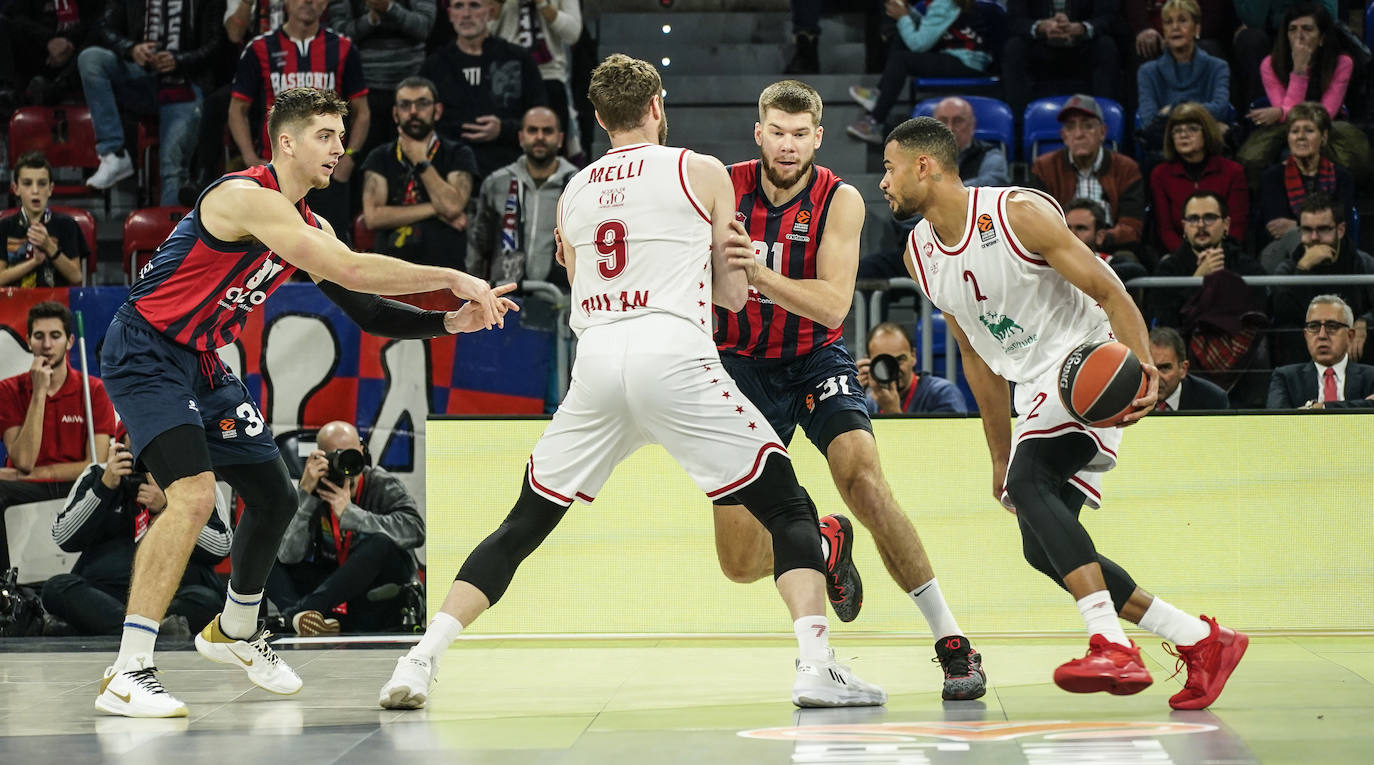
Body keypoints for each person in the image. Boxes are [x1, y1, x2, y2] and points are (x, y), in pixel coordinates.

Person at [379, 55, 886, 712]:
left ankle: (420, 660)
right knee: (789, 509)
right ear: (658, 106)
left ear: (596, 118)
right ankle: (817, 667)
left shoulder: (575, 189)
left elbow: (572, 276)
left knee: (522, 523)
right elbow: (733, 298)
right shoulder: (698, 169)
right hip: (672, 352)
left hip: (596, 361)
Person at [92, 86, 514, 719]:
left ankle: (235, 630)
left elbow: (366, 308)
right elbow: (352, 271)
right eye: (325, 135)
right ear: (285, 142)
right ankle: (129, 669)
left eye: (342, 137)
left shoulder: (309, 223)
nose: (338, 148)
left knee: (275, 493)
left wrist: (447, 326)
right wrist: (452, 277)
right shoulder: (243, 199)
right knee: (194, 495)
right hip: (146, 350)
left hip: (203, 360)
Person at [882, 115, 1248, 709]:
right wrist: (998, 453)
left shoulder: (1017, 212)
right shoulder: (919, 255)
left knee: (1033, 485)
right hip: (1032, 387)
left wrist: (1142, 370)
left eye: (889, 167)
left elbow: (1112, 291)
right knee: (1039, 541)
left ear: (925, 166)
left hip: (1087, 366)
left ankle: (1111, 643)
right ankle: (1202, 639)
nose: (884, 182)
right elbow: (976, 358)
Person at [712, 80, 986, 701]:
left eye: (799, 134)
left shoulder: (840, 199)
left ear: (818, 136)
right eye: (776, 133)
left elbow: (833, 306)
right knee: (738, 562)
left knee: (864, 480)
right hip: (736, 367)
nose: (787, 145)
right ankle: (826, 537)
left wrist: (756, 272)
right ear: (759, 134)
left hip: (813, 358)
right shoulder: (718, 186)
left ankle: (951, 642)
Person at [43, 429, 231, 637]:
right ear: (122, 444)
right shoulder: (98, 474)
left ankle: (110, 628)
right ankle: (152, 632)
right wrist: (104, 488)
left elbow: (221, 547)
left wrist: (169, 509)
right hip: (104, 593)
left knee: (207, 600)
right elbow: (63, 537)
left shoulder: (194, 480)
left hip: (172, 593)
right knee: (56, 588)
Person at [269, 420, 423, 635]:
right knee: (266, 554)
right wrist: (305, 497)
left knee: (380, 543)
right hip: (334, 590)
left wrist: (353, 515)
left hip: (377, 591)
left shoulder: (381, 483)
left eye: (352, 455)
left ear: (362, 451)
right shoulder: (315, 489)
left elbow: (415, 530)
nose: (346, 464)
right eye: (336, 456)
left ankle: (293, 617)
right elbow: (288, 556)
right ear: (321, 457)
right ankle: (306, 619)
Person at [230, 0, 371, 233]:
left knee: (333, 252)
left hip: (329, 172)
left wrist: (351, 157)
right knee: (272, 252)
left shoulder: (343, 47)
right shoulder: (259, 48)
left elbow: (362, 111)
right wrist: (249, 156)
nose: (307, 1)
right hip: (278, 173)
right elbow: (237, 110)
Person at [0, 302, 116, 574]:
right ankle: (5, 590)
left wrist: (28, 474)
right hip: (28, 488)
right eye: (39, 336)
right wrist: (39, 392)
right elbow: (25, 460)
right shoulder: (9, 389)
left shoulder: (94, 390)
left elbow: (94, 465)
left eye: (55, 336)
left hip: (75, 487)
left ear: (70, 341)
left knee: (110, 488)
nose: (47, 345)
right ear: (28, 341)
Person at [77, 0, 226, 203]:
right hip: (140, 76)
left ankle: (172, 234)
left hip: (184, 83)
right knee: (91, 58)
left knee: (171, 167)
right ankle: (114, 154)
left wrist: (179, 60)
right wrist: (132, 49)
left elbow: (217, 45)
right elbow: (104, 26)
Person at [1236, 3, 1369, 186]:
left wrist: (1281, 112)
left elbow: (1326, 113)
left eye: (1307, 29)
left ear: (1322, 38)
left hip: (1328, 130)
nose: (1299, 36)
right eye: (1292, 30)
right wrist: (1299, 70)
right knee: (1258, 158)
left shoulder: (1342, 62)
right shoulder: (1270, 64)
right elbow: (1292, 119)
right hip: (1287, 130)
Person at [419, 0, 547, 180]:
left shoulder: (519, 59)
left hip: (509, 169)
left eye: (474, 5)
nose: (466, 14)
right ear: (449, 15)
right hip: (449, 171)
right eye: (458, 6)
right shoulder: (434, 66)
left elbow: (542, 118)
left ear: (491, 12)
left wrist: (503, 129)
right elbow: (423, 123)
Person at [360, 76, 478, 268]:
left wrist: (421, 162)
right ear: (395, 114)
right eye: (405, 105)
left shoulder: (458, 154)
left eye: (422, 104)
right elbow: (373, 217)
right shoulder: (379, 156)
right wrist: (435, 209)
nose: (413, 112)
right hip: (390, 269)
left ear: (437, 111)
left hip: (447, 269)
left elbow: (452, 206)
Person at [845, 0, 992, 144]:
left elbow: (918, 44)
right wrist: (909, 12)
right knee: (901, 37)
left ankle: (875, 122)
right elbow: (930, 27)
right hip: (960, 56)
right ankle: (879, 95)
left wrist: (903, 17)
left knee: (902, 60)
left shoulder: (943, 3)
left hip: (966, 62)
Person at [467, 106, 578, 286]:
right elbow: (478, 246)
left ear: (560, 139)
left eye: (547, 131)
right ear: (521, 137)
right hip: (505, 296)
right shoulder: (496, 183)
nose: (540, 137)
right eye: (532, 130)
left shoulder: (578, 184)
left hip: (563, 297)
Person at [1030, 95, 1145, 254]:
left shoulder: (1126, 169)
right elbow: (1038, 222)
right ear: (1064, 136)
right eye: (1071, 127)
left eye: (1087, 126)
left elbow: (1132, 226)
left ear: (1102, 132)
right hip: (1060, 250)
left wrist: (1102, 238)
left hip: (1112, 250)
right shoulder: (1044, 167)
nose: (1078, 134)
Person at [326, 0, 437, 163]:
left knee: (412, 164)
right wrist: (371, 19)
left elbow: (424, 28)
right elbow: (339, 34)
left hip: (412, 87)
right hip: (362, 90)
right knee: (363, 168)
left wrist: (390, 8)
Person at [1270, 194, 1372, 363]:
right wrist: (1303, 268)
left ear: (1340, 230)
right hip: (1306, 353)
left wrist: (1365, 322)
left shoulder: (1362, 263)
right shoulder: (1289, 267)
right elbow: (1280, 313)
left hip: (1353, 351)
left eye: (1323, 229)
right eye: (1307, 230)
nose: (1314, 237)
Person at [1147, 191, 1263, 329]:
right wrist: (1198, 279)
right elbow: (1165, 322)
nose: (1201, 225)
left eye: (1209, 217)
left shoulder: (1247, 266)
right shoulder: (1168, 269)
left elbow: (1259, 314)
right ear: (1184, 227)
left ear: (1226, 224)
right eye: (1193, 219)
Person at [1134, 0, 1231, 152]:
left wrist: (1170, 110)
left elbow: (1221, 109)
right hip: (1165, 148)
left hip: (1207, 145)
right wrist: (1205, 121)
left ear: (1197, 28)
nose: (1175, 27)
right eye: (1168, 22)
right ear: (1163, 30)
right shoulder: (1147, 72)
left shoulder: (1217, 67)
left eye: (1182, 20)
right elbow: (1149, 121)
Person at [1149, 104, 1248, 253]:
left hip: (1225, 254)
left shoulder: (1232, 172)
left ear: (1207, 133)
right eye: (1177, 131)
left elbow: (1237, 226)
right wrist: (1190, 257)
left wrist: (1218, 255)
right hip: (1179, 257)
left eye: (1192, 129)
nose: (1183, 135)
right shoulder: (1161, 175)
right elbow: (1165, 230)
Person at [1256, 102, 1354, 246]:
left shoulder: (1342, 178)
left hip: (1332, 248)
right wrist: (1323, 228)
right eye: (1294, 131)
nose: (1300, 137)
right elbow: (1276, 230)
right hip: (1287, 251)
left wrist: (1295, 227)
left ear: (1324, 136)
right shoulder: (1272, 177)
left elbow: (1342, 228)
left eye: (1309, 130)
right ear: (1288, 137)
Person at [1001, 0, 1119, 119]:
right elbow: (1013, 20)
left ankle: (1106, 122)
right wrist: (1041, 27)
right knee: (1014, 47)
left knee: (1106, 46)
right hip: (1039, 48)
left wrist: (1081, 28)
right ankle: (1018, 126)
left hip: (1083, 47)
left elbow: (1109, 17)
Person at [493, 0, 582, 157]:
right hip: (507, 73)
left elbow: (572, 33)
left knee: (549, 146)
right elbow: (482, 30)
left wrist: (542, 4)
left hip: (549, 73)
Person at [1267, 295, 1374, 407]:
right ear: (1305, 335)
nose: (1322, 335)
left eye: (1332, 326)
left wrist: (1320, 408)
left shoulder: (1371, 377)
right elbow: (1277, 421)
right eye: (1314, 327)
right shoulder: (1285, 378)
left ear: (1350, 335)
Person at [1, 152, 87, 288]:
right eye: (27, 183)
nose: (35, 190)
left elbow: (76, 276)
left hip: (55, 304)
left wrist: (48, 246)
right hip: (13, 303)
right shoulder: (4, 226)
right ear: (16, 189)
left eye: (42, 184)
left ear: (50, 189)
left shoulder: (66, 225)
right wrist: (34, 262)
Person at [0, 0, 97, 108]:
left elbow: (95, 18)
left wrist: (69, 42)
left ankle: (57, 88)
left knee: (101, 33)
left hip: (76, 52)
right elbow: (15, 16)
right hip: (41, 50)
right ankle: (7, 92)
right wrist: (49, 40)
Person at [856, 322, 968, 414]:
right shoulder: (870, 402)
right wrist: (852, 396)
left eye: (900, 359)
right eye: (884, 362)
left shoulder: (942, 393)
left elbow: (950, 440)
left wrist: (892, 411)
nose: (893, 369)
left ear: (913, 356)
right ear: (870, 363)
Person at [1063, 198, 1147, 283]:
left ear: (1100, 236)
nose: (1072, 234)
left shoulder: (1108, 261)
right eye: (1067, 227)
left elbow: (1137, 270)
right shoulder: (1050, 262)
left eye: (1081, 228)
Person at [1149, 327, 1229, 410]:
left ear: (1183, 369)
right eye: (1149, 367)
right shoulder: (1134, 395)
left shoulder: (1213, 400)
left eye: (1164, 368)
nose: (1155, 376)